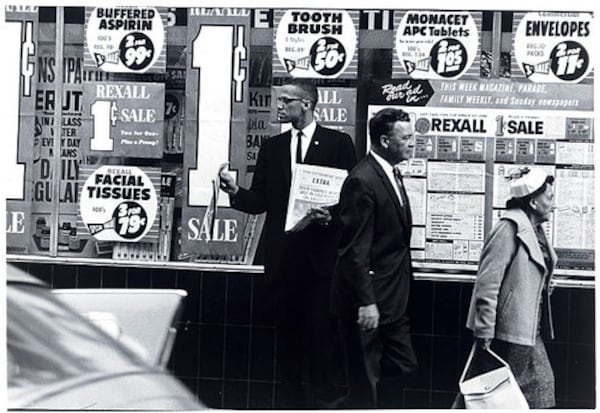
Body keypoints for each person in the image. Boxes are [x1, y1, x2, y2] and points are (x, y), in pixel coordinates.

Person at [219, 78, 356, 408]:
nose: (277, 107)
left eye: (285, 101)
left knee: (321, 334)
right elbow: (261, 201)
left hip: (322, 259)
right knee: (287, 335)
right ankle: (289, 402)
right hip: (282, 259)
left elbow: (353, 201)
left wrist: (332, 219)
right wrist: (235, 192)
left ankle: (325, 399)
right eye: (278, 101)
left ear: (306, 104)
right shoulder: (273, 148)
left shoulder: (339, 144)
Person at [331, 108, 417, 408]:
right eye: (405, 137)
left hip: (392, 298)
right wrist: (367, 302)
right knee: (366, 382)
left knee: (403, 366)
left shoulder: (390, 174)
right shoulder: (363, 179)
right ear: (383, 140)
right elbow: (355, 249)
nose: (412, 142)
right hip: (368, 302)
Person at [464, 167, 557, 408]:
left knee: (537, 392)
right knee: (497, 398)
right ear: (534, 202)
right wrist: (484, 332)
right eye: (550, 197)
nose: (553, 203)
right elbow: (487, 283)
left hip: (528, 329)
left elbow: (528, 271)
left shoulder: (535, 229)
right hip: (508, 332)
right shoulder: (508, 228)